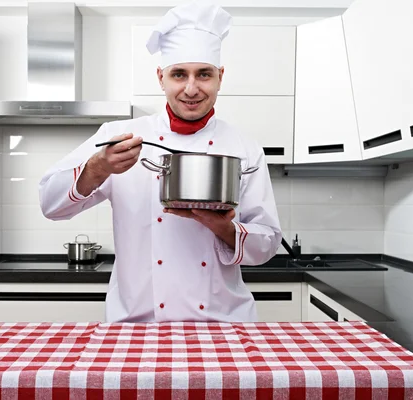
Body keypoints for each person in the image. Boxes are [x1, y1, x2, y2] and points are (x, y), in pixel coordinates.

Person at [39, 1, 282, 323]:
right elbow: (50, 205)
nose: (191, 89)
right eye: (179, 74)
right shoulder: (119, 136)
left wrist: (218, 224)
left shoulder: (244, 148)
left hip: (224, 322)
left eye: (204, 75)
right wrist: (98, 167)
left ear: (220, 77)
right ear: (161, 78)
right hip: (136, 322)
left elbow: (266, 244)